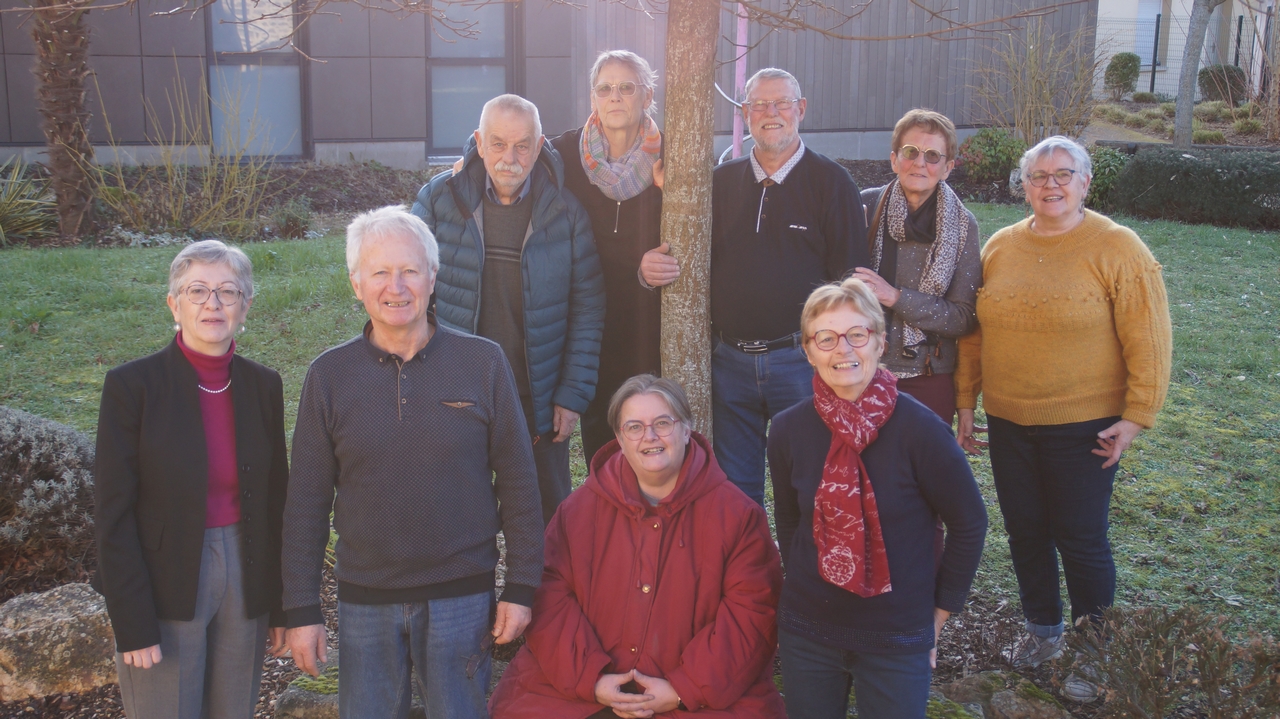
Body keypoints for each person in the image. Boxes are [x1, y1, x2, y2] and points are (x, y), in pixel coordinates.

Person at [282, 206, 545, 719]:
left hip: (461, 596)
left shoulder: (483, 363)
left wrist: (520, 587)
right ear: (356, 284)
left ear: (433, 276)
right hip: (365, 600)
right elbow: (306, 503)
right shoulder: (329, 376)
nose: (396, 287)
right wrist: (302, 609)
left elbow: (519, 483)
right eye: (380, 272)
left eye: (410, 270)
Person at [955, 136, 1172, 701]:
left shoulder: (1117, 246)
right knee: (1025, 530)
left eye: (1063, 174)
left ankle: (1095, 651)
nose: (1050, 185)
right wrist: (966, 401)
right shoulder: (1000, 246)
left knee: (1080, 537)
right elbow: (975, 334)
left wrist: (1138, 415)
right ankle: (1043, 632)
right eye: (1039, 176)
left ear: (1085, 183)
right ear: (1024, 185)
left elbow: (1149, 337)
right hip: (1008, 419)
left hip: (1085, 425)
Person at [488, 375, 787, 719]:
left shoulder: (737, 515)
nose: (649, 436)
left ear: (686, 429)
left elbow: (752, 613)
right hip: (582, 691)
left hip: (697, 696)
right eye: (634, 427)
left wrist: (683, 688)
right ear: (619, 438)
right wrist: (591, 679)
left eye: (662, 423)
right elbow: (549, 593)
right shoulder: (579, 510)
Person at [642, 67, 869, 505]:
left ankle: (802, 554)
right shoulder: (719, 182)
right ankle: (751, 553)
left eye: (782, 103)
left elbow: (849, 284)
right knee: (736, 491)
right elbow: (683, 253)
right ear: (745, 114)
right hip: (728, 365)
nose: (771, 113)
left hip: (800, 363)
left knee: (807, 484)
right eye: (760, 105)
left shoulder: (832, 183)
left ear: (801, 109)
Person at [769, 277, 987, 718]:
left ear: (880, 343)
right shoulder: (789, 429)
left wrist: (938, 617)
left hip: (896, 635)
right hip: (808, 631)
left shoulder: (922, 431)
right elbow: (790, 521)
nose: (842, 349)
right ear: (808, 351)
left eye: (857, 334)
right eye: (826, 338)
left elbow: (970, 522)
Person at [93, 240, 288, 719]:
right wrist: (132, 622)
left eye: (228, 291)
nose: (212, 304)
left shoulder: (263, 384)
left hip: (245, 572)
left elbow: (275, 501)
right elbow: (112, 514)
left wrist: (281, 606)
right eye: (197, 290)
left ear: (246, 305)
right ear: (173, 304)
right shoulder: (132, 387)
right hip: (165, 580)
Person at [413, 94, 605, 524]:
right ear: (479, 142)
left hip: (538, 397)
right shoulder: (439, 200)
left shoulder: (566, 212)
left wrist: (571, 395)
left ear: (539, 147)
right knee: (460, 515)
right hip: (457, 391)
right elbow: (410, 296)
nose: (510, 158)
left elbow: (588, 310)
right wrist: (423, 379)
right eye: (498, 144)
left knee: (545, 518)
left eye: (522, 146)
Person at [551, 50, 665, 464]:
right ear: (593, 98)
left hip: (645, 323)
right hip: (584, 322)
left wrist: (673, 191)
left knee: (647, 434)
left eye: (626, 87)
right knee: (600, 442)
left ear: (647, 96)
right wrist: (469, 161)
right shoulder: (564, 153)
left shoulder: (672, 158)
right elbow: (510, 153)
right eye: (605, 88)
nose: (614, 96)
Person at [855, 109, 980, 424]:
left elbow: (963, 318)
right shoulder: (866, 207)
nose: (920, 163)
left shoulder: (963, 226)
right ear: (895, 160)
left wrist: (896, 297)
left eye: (933, 155)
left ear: (948, 168)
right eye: (911, 152)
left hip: (929, 375)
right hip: (863, 370)